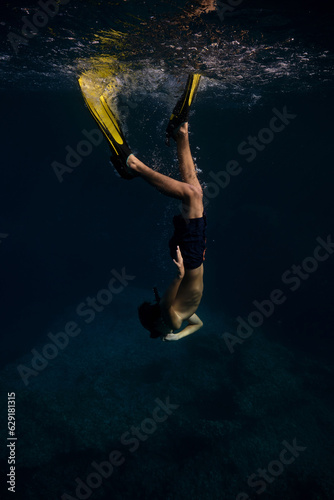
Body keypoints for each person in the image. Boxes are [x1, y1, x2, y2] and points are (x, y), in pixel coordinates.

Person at [79, 74, 206, 341]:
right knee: (196, 194)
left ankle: (134, 165)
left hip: (189, 261)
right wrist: (177, 338)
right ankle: (180, 133)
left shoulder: (170, 318)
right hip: (193, 257)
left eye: (157, 332)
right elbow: (199, 324)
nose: (163, 335)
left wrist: (179, 276)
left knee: (192, 196)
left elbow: (165, 309)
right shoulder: (179, 320)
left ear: (157, 323)